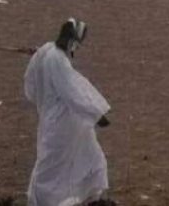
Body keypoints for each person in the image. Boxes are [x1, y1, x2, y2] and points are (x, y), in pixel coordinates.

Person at [24, 18, 112, 206]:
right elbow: (74, 93)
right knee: (56, 166)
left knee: (90, 156)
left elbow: (35, 78)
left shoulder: (47, 50)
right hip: (63, 126)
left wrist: (37, 54)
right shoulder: (58, 60)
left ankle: (87, 199)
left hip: (60, 122)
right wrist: (97, 115)